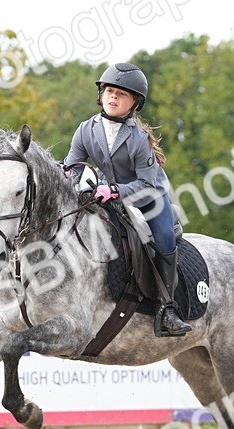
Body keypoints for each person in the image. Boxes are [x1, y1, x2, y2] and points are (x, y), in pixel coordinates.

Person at [63, 62, 191, 337]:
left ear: (134, 104)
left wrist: (116, 190)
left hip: (149, 198)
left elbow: (146, 183)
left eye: (121, 94)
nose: (113, 97)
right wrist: (83, 179)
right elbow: (72, 166)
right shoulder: (86, 129)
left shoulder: (139, 138)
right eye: (109, 90)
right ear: (101, 94)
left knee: (165, 238)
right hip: (107, 196)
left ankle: (167, 308)